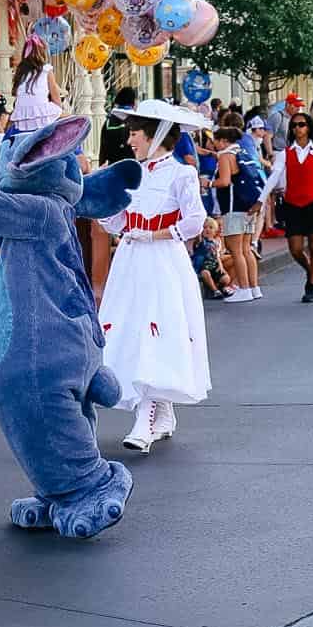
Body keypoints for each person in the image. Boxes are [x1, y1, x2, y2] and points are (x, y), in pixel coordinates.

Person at [99, 100, 211, 451]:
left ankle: (145, 421)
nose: (130, 140)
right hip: (131, 260)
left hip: (162, 261)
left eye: (135, 133)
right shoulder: (130, 172)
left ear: (156, 135)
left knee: (155, 330)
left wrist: (157, 235)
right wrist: (102, 207)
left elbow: (195, 219)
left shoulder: (181, 174)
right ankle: (161, 413)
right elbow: (118, 218)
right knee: (133, 331)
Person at [265, 109, 313, 302]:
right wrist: (260, 199)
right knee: (296, 248)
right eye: (294, 125)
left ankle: (311, 286)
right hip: (293, 204)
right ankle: (311, 270)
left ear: (309, 128)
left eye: (302, 124)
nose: (298, 128)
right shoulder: (285, 154)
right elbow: (274, 176)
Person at [212, 124, 263, 302]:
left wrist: (208, 183)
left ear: (224, 141)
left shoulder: (225, 156)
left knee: (236, 251)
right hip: (248, 207)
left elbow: (225, 181)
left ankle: (243, 288)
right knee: (247, 249)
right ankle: (254, 287)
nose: (214, 145)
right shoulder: (241, 153)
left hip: (233, 208)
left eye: (216, 141)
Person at [10, 33, 66, 131]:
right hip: (41, 113)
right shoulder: (46, 70)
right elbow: (56, 98)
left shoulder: (20, 72)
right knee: (71, 118)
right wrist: (60, 113)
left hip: (22, 117)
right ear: (42, 52)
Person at [191, 216, 233, 299]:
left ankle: (221, 287)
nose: (207, 229)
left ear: (215, 231)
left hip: (214, 266)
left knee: (226, 279)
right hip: (203, 267)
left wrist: (221, 266)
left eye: (211, 227)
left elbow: (217, 255)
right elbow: (198, 237)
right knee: (205, 274)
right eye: (204, 227)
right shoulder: (201, 241)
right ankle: (215, 291)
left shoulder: (215, 242)